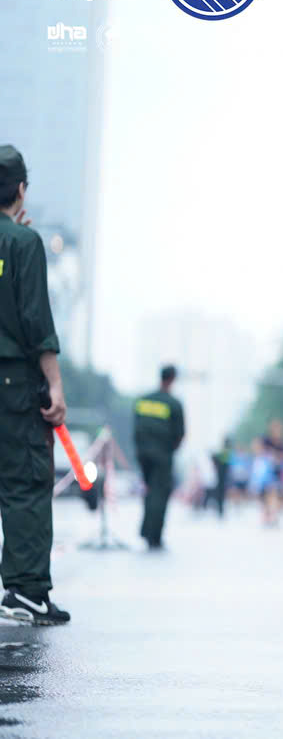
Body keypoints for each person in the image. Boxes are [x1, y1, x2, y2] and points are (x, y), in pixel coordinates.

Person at [0, 145, 70, 625]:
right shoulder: (24, 244)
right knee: (24, 481)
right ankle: (25, 592)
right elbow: (34, 321)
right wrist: (55, 386)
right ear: (21, 189)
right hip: (11, 382)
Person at [134, 365, 185, 550]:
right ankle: (153, 535)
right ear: (173, 379)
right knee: (160, 492)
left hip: (143, 454)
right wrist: (169, 451)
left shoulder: (143, 400)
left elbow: (136, 427)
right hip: (162, 455)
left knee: (149, 490)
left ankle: (146, 530)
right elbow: (180, 435)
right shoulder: (174, 404)